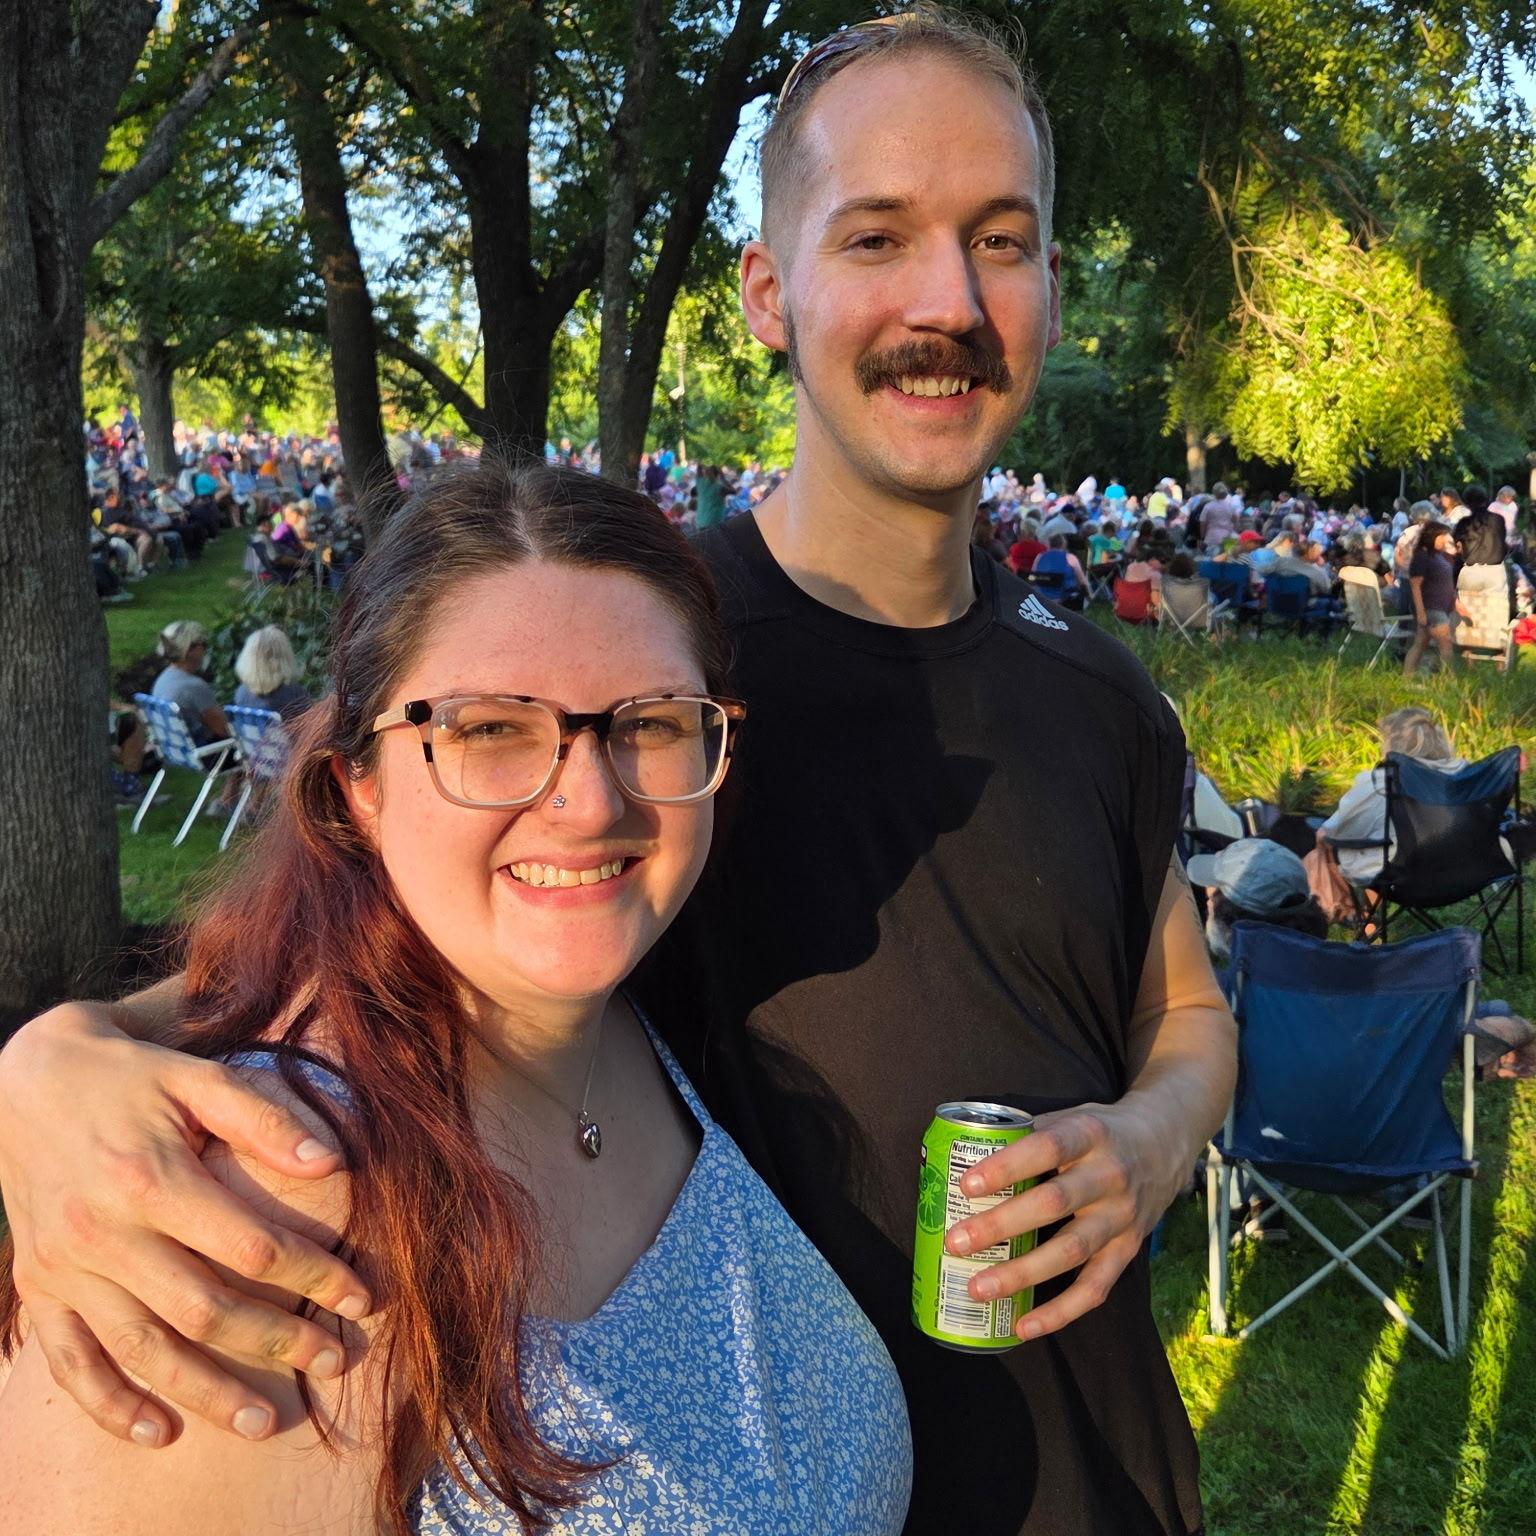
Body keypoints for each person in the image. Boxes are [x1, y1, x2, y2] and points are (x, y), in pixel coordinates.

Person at [0, 13, 1233, 1535]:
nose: (949, 301)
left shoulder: (1099, 692)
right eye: (877, 236)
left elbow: (1180, 1004)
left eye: (1003, 238)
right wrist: (48, 1068)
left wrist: (1153, 1139)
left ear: (1049, 284)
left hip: (1117, 1482)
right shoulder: (634, 651)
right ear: (769, 295)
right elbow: (344, 904)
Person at [1, 461, 911, 1535]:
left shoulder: (652, 1004)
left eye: (651, 721)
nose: (587, 801)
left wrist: (52, 1048)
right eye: (487, 730)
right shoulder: (260, 1217)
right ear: (360, 788)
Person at [1316, 708, 1475, 886]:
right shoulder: (1464, 775)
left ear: (1392, 744)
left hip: (1402, 875)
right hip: (1464, 871)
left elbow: (1336, 831)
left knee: (1325, 839)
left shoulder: (1380, 781)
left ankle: (1337, 910)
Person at [150, 621, 230, 748]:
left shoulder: (162, 680)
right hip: (209, 756)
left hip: (177, 755)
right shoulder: (194, 686)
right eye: (204, 644)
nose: (205, 649)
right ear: (191, 649)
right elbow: (224, 730)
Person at [1403, 522, 1464, 675]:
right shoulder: (1422, 556)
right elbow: (1415, 585)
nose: (1445, 540)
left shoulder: (1438, 555)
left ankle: (1406, 677)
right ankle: (1451, 680)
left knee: (1419, 644)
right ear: (1433, 536)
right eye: (1443, 536)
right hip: (1431, 608)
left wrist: (1456, 604)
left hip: (1440, 606)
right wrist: (1421, 612)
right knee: (1446, 645)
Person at [232, 626, 313, 723]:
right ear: (285, 656)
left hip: (257, 738)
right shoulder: (292, 692)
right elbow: (312, 726)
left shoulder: (241, 693)